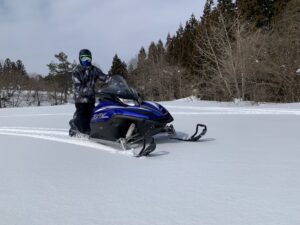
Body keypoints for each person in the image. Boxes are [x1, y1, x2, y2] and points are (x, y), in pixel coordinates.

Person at [69, 49, 109, 136]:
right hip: (80, 98)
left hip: (91, 99)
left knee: (93, 115)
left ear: (91, 59)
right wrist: (93, 91)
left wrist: (112, 80)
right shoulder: (76, 71)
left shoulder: (94, 70)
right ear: (80, 59)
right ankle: (76, 127)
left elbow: (104, 77)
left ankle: (92, 130)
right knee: (82, 114)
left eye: (88, 59)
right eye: (83, 59)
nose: (86, 61)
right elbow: (78, 87)